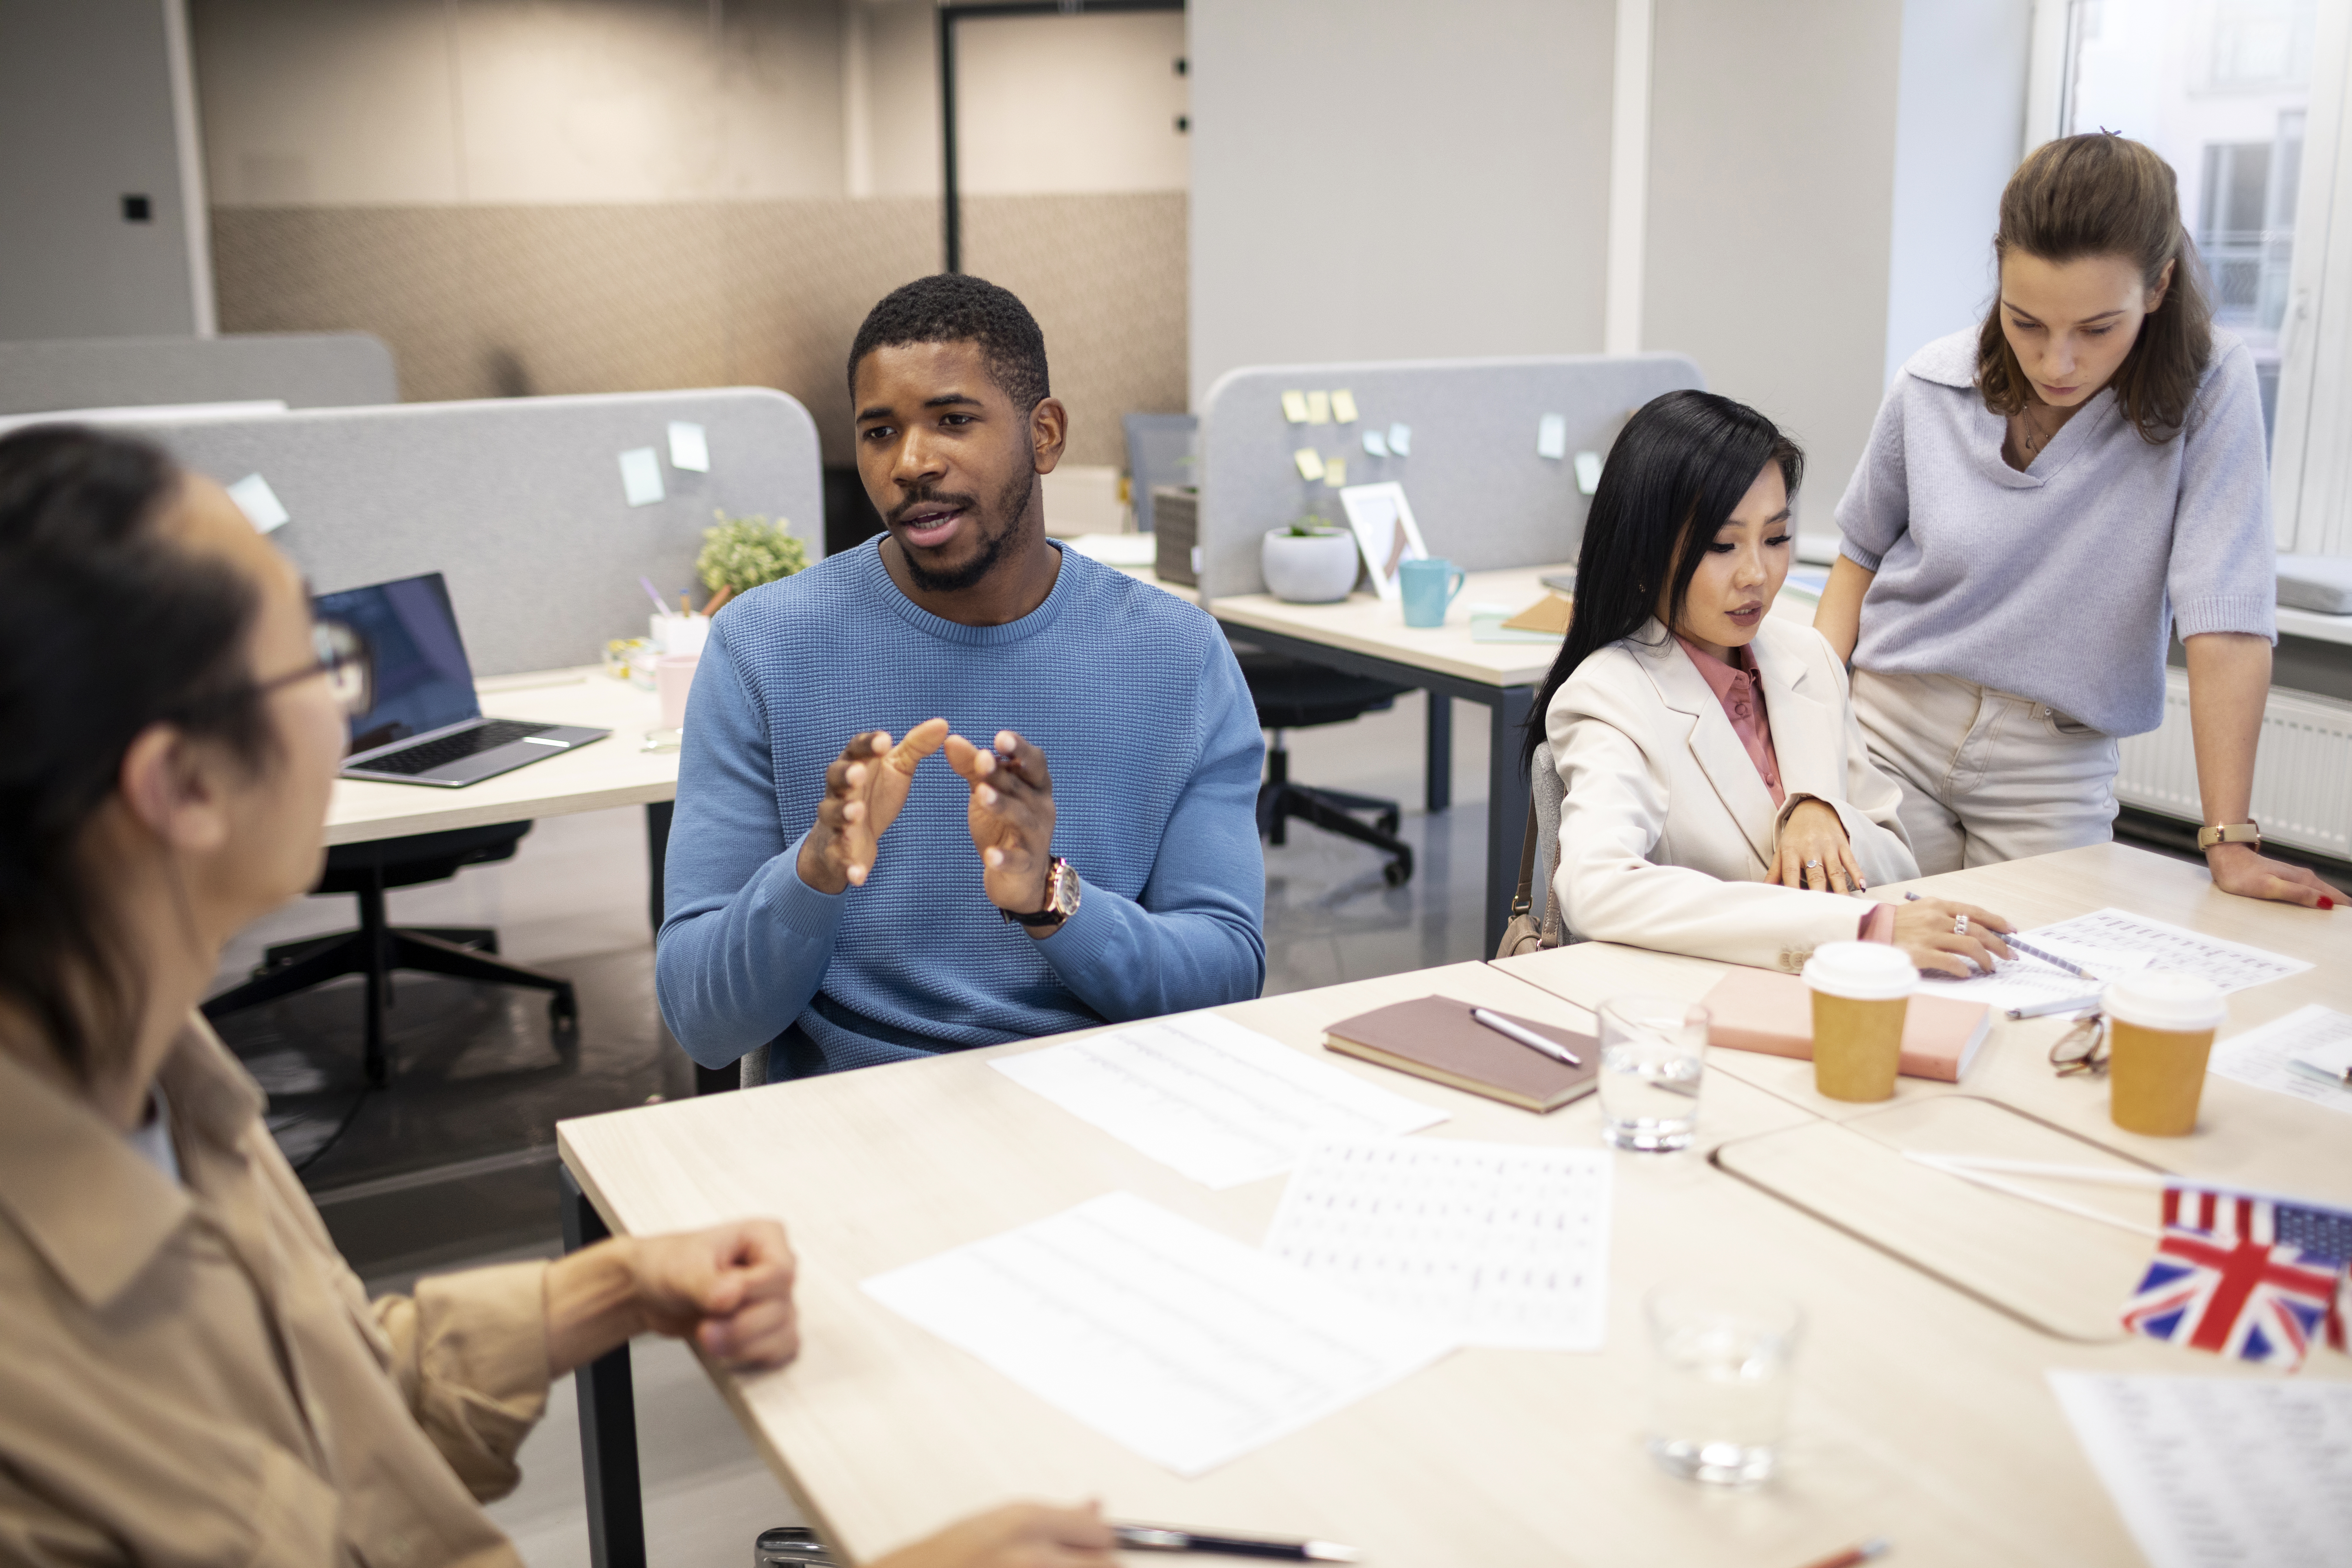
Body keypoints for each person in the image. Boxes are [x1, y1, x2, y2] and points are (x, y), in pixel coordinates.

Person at [0, 426, 1115, 1568]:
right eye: (315, 658)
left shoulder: (152, 1070)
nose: (350, 708)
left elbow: (314, 1405)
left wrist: (605, 1290)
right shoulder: (31, 1417)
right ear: (182, 786)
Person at [657, 274, 1264, 1080]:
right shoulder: (760, 646)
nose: (911, 462)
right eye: (880, 432)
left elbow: (1228, 978)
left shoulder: (1180, 655)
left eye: (952, 420)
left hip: (1106, 1105)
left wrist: (1052, 896)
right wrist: (812, 874)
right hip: (853, 1121)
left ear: (1044, 435)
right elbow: (702, 1020)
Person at [1816, 132, 2343, 910]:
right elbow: (1856, 561)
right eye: (2027, 322)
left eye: (2097, 329)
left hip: (2053, 763)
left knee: (2044, 988)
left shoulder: (2209, 388)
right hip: (1890, 727)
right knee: (1861, 958)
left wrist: (2229, 837)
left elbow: (2225, 614)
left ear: (2159, 287)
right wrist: (1803, 753)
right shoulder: (1931, 382)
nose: (2057, 362)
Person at [1531, 391, 2014, 974]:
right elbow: (1597, 888)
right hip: (1702, 999)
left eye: (1777, 539)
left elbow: (1898, 864)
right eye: (1721, 546)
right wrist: (1857, 931)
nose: (1757, 575)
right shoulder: (1608, 696)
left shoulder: (1806, 658)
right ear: (1642, 552)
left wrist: (1819, 812)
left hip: (1841, 988)